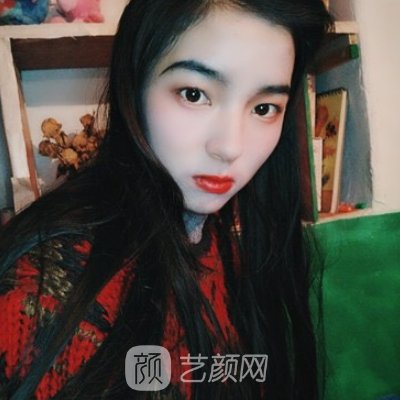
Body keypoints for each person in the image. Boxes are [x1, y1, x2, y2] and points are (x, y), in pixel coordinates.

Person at [0, 0, 332, 398]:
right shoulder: (47, 298)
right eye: (194, 94)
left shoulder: (224, 242)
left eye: (264, 108)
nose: (230, 147)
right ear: (135, 84)